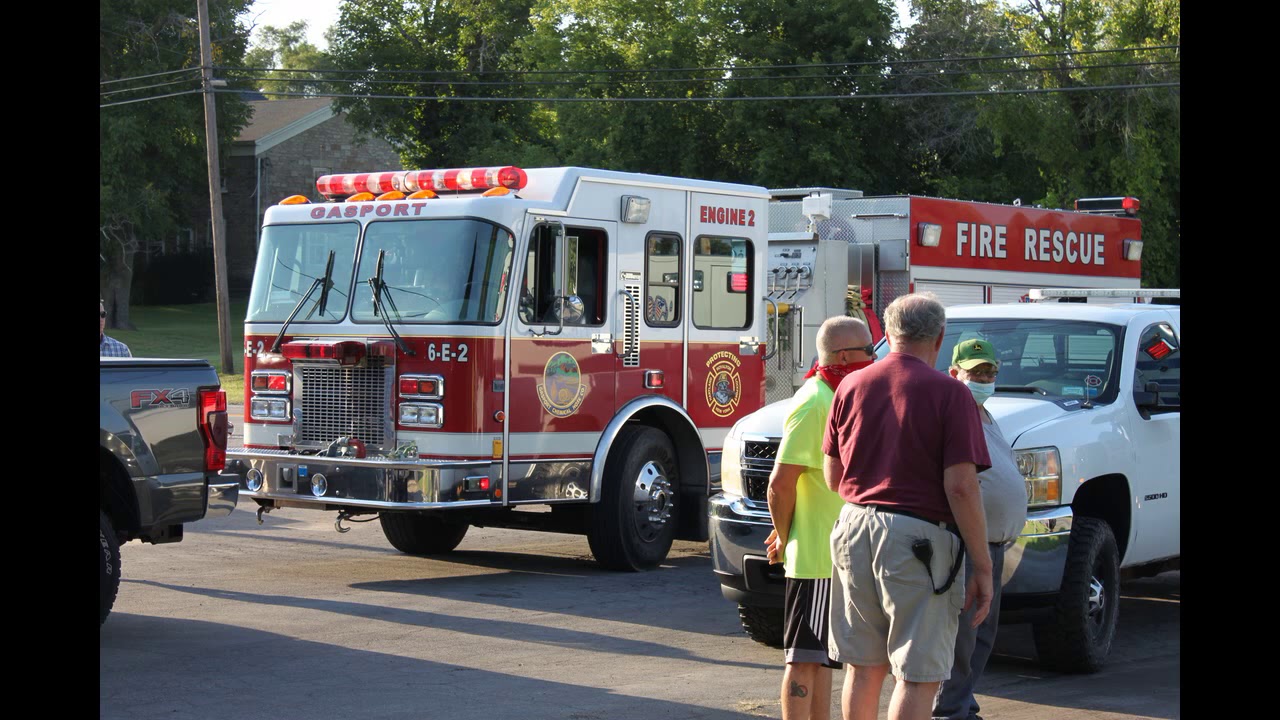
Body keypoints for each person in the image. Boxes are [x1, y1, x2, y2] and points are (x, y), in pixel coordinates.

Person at [822, 292, 993, 720]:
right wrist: (983, 565)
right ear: (939, 338)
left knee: (863, 666)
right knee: (918, 675)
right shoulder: (951, 394)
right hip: (917, 539)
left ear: (888, 333)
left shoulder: (851, 385)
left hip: (853, 525)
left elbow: (832, 476)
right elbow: (961, 487)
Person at [765, 316, 876, 720]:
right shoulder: (814, 400)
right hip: (815, 559)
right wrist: (784, 535)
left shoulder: (839, 391)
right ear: (845, 355)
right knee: (803, 660)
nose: (874, 358)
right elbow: (780, 484)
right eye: (869, 351)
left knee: (826, 658)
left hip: (839, 556)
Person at [932, 339, 1028, 720]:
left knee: (982, 635)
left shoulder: (985, 413)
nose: (985, 378)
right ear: (954, 373)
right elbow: (956, 484)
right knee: (962, 637)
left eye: (990, 372)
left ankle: (963, 705)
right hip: (968, 543)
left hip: (993, 544)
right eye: (976, 373)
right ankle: (948, 711)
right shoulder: (954, 413)